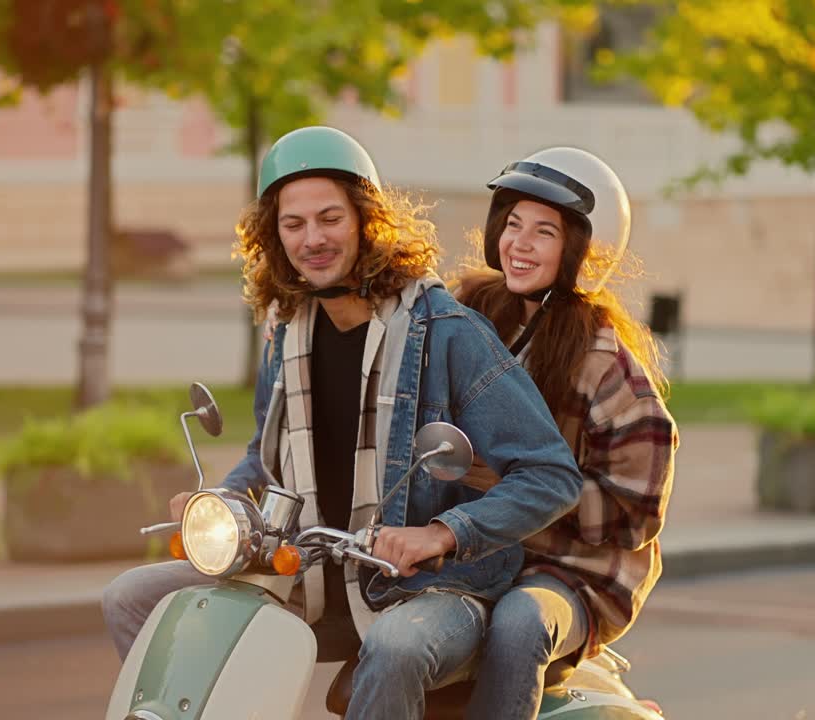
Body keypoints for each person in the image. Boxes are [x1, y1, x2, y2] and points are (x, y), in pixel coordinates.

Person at [101, 126, 583, 720]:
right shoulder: (290, 333)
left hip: (436, 586)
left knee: (395, 644)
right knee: (131, 598)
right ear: (272, 236)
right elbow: (270, 455)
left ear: (365, 221)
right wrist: (225, 499)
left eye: (330, 218)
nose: (314, 239)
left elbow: (551, 474)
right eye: (293, 224)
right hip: (314, 570)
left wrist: (441, 533)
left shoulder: (448, 333)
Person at [451, 147, 678, 720]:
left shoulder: (603, 360)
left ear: (581, 250)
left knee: (521, 622)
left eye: (544, 232)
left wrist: (526, 486)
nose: (519, 243)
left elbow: (637, 511)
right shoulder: (471, 314)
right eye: (513, 223)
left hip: (571, 571)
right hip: (475, 545)